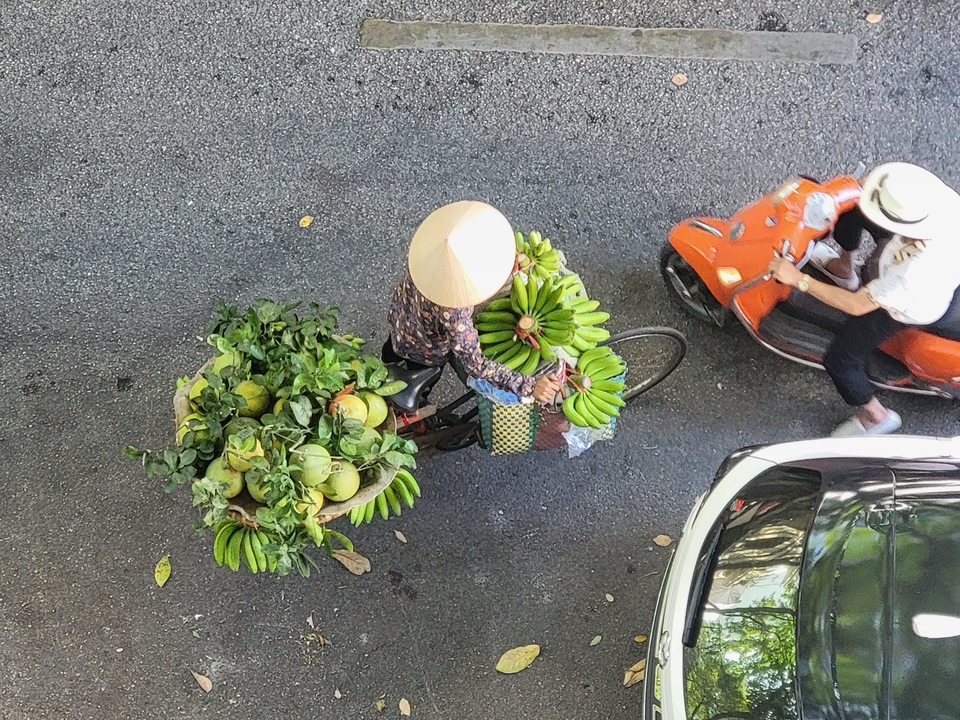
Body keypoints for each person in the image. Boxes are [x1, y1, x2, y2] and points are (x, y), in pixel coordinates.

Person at [768, 162, 960, 437]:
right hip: (901, 261)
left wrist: (799, 279)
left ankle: (876, 416)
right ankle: (844, 267)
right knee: (855, 211)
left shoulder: (913, 275)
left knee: (841, 360)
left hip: (907, 306)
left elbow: (857, 304)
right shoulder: (944, 205)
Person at [388, 201, 562, 404]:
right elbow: (476, 365)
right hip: (422, 352)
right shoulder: (454, 312)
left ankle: (388, 362)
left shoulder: (428, 252)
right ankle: (414, 402)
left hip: (400, 321)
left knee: (390, 352)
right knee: (416, 384)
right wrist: (530, 386)